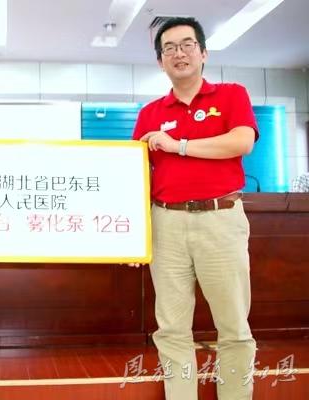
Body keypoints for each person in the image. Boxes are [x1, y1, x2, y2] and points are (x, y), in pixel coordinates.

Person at [132, 17, 258, 400]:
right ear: (160, 62)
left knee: (233, 326)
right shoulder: (149, 113)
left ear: (203, 53)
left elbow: (241, 142)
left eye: (187, 45)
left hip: (221, 219)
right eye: (169, 48)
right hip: (166, 224)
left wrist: (178, 145)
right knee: (171, 329)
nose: (179, 53)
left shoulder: (231, 95)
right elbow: (134, 175)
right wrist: (133, 236)